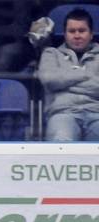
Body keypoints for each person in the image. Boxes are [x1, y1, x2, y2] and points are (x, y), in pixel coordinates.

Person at [39, 8, 99, 142]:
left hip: (97, 114)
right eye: (72, 31)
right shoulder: (51, 53)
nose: (77, 35)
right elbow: (50, 80)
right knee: (61, 141)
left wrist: (65, 83)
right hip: (63, 114)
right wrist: (88, 75)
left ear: (91, 34)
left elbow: (57, 81)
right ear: (65, 34)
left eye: (82, 31)